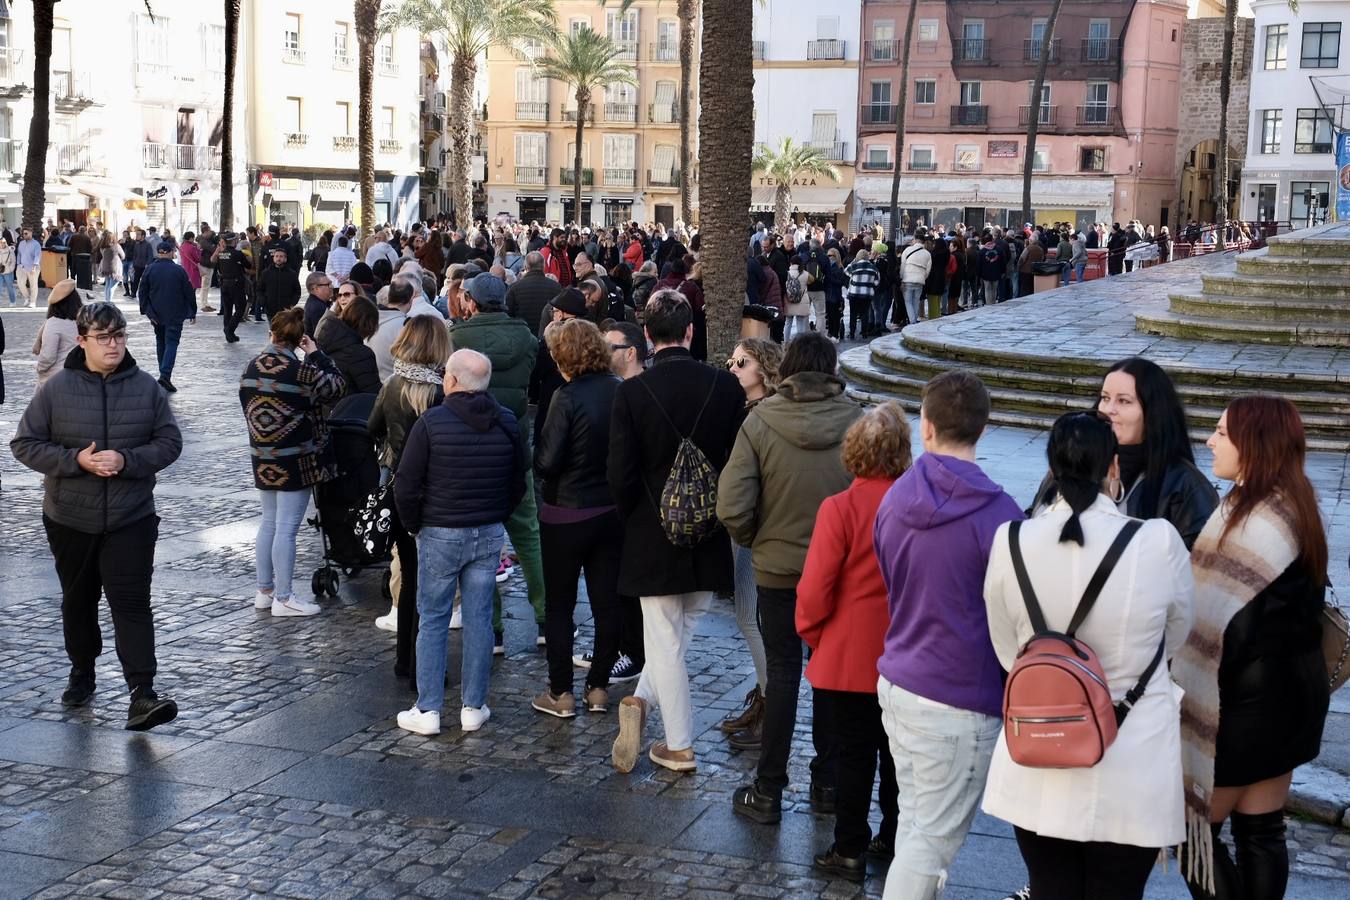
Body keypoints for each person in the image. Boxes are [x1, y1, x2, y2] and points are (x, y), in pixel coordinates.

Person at [982, 412, 1195, 900]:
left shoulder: (1011, 540)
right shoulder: (1156, 541)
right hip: (1132, 752)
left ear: (1051, 471)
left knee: (1050, 887)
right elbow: (1178, 632)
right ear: (1114, 468)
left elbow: (1005, 646)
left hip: (1042, 744)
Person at [873, 371, 1025, 899]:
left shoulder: (894, 498)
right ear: (982, 429)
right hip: (960, 697)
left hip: (901, 679)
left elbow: (891, 578)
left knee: (918, 827)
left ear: (927, 426)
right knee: (929, 844)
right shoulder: (1003, 517)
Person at [1177, 396, 1330, 900]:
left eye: (1221, 432)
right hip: (1292, 700)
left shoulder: (1254, 524)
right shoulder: (1294, 504)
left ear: (1254, 445)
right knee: (1262, 832)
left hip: (1241, 708)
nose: (1210, 441)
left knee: (1189, 832)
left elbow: (1231, 628)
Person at [10, 301, 182, 730]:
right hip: (70, 517)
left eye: (119, 335)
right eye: (103, 337)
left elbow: (169, 442)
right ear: (82, 340)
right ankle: (82, 670)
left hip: (131, 517)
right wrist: (76, 461)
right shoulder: (56, 389)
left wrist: (126, 460)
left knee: (132, 604)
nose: (113, 345)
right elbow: (25, 444)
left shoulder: (146, 388)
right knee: (78, 600)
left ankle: (143, 692)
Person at [719, 332, 863, 822]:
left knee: (782, 672)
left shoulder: (759, 422)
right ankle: (826, 780)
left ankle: (769, 788)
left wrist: (760, 540)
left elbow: (732, 506)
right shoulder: (857, 422)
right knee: (829, 675)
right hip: (839, 572)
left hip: (778, 570)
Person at [608, 289, 744, 774]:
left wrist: (635, 517)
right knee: (679, 630)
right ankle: (641, 702)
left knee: (664, 639)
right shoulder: (726, 387)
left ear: (646, 335)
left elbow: (620, 473)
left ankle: (680, 745)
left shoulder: (631, 393)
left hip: (651, 529)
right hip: (709, 526)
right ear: (690, 331)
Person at [798, 403, 912, 882]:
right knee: (896, 754)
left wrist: (815, 634)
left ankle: (848, 846)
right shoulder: (912, 508)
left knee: (852, 754)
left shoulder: (840, 508)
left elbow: (815, 588)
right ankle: (893, 833)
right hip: (903, 649)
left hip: (847, 653)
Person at [394, 348, 527, 736]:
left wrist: (415, 525)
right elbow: (519, 480)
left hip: (440, 530)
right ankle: (474, 705)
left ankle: (429, 708)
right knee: (479, 619)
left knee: (433, 619)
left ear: (451, 381)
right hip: (486, 530)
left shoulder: (431, 423)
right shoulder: (505, 422)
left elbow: (406, 483)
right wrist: (497, 513)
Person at [447, 272, 546, 651]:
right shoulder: (525, 337)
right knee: (528, 536)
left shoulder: (456, 338)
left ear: (471, 302)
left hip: (471, 451)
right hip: (514, 442)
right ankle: (546, 616)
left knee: (481, 542)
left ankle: (493, 627)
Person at [530, 319, 624, 717]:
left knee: (559, 605)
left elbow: (548, 461)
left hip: (566, 511)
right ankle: (599, 686)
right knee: (607, 602)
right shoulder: (620, 391)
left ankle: (561, 691)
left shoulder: (565, 397)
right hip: (610, 511)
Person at [240, 308, 347, 618]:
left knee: (269, 522)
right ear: (298, 339)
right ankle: (284, 597)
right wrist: (316, 354)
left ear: (272, 334)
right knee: (287, 529)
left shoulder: (251, 367)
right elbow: (337, 386)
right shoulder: (301, 372)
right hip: (295, 459)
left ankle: (265, 590)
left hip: (262, 457)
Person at [368, 317, 449, 689]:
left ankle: (406, 658)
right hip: (435, 492)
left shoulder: (392, 384)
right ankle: (423, 665)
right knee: (431, 583)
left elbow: (371, 428)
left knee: (412, 578)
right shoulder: (442, 391)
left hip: (401, 488)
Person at [715, 338, 783, 747]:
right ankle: (763, 698)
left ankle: (769, 704)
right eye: (731, 361)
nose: (734, 368)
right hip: (751, 526)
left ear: (764, 367)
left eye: (742, 361)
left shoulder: (762, 416)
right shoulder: (747, 411)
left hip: (754, 529)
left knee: (750, 617)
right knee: (750, 616)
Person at [1093, 357, 1219, 549]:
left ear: (1153, 412)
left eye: (1124, 401)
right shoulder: (1075, 462)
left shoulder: (1185, 486)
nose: (1109, 410)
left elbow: (1198, 565)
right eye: (1105, 398)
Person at [137, 237, 197, 393]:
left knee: (161, 341)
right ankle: (165, 375)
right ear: (171, 252)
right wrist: (193, 310)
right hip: (175, 313)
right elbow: (189, 292)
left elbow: (142, 292)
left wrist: (146, 311)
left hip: (156, 313)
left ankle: (163, 373)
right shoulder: (179, 270)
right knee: (171, 343)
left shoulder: (149, 269)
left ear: (158, 253)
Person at [315, 295, 381, 395]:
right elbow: (372, 393)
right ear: (368, 324)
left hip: (325, 405)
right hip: (351, 407)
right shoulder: (361, 353)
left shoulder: (322, 338)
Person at [33, 279, 82, 387]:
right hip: (79, 375)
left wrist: (40, 368)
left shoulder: (54, 324)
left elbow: (48, 356)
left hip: (56, 379)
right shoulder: (83, 320)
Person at [368, 278, 413, 381]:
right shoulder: (406, 328)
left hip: (369, 385)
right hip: (394, 389)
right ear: (410, 300)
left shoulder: (367, 321)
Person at [213, 232, 253, 344]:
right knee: (241, 308)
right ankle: (229, 330)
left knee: (227, 309)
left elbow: (218, 266)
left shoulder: (221, 254)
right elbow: (248, 266)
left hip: (224, 283)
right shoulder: (237, 253)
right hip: (236, 284)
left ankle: (228, 332)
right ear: (234, 241)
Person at [845, 250, 880, 341]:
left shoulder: (854, 266)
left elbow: (846, 271)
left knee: (853, 314)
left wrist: (854, 261)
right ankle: (864, 333)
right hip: (867, 294)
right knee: (865, 313)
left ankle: (852, 333)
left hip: (854, 294)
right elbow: (876, 282)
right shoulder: (873, 268)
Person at [259, 247, 301, 321]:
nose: (278, 258)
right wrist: (264, 302)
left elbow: (297, 291)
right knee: (273, 331)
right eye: (276, 256)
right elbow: (259, 289)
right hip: (270, 310)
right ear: (273, 258)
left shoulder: (292, 274)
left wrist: (292, 304)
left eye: (281, 256)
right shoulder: (266, 273)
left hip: (286, 310)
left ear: (285, 258)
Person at [900, 234, 932, 325]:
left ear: (915, 240)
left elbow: (903, 266)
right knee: (916, 301)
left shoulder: (907, 250)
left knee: (908, 301)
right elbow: (928, 270)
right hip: (920, 280)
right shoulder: (927, 254)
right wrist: (922, 277)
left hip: (907, 279)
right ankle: (913, 320)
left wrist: (902, 278)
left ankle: (912, 321)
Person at [302, 271, 335, 337]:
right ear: (316, 288)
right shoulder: (317, 308)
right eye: (328, 284)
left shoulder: (317, 303)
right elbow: (323, 336)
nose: (332, 287)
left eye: (331, 283)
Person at [94, 231, 124, 304]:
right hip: (115, 268)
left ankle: (106, 301)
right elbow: (123, 256)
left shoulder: (102, 247)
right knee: (112, 287)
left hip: (105, 267)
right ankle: (109, 302)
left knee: (107, 285)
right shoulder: (116, 246)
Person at [178, 232, 205, 312]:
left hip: (184, 270)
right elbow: (198, 258)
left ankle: (185, 309)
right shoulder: (192, 247)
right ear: (191, 238)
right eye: (193, 238)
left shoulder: (182, 246)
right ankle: (192, 310)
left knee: (185, 291)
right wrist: (199, 250)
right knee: (192, 292)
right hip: (192, 271)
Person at [16, 227, 42, 306]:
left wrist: (34, 267)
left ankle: (33, 302)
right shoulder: (21, 243)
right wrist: (18, 265)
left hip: (33, 267)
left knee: (33, 285)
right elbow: (19, 254)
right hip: (22, 267)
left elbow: (37, 256)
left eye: (26, 233)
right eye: (23, 234)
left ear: (31, 233)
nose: (24, 235)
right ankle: (27, 298)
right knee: (20, 283)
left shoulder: (36, 244)